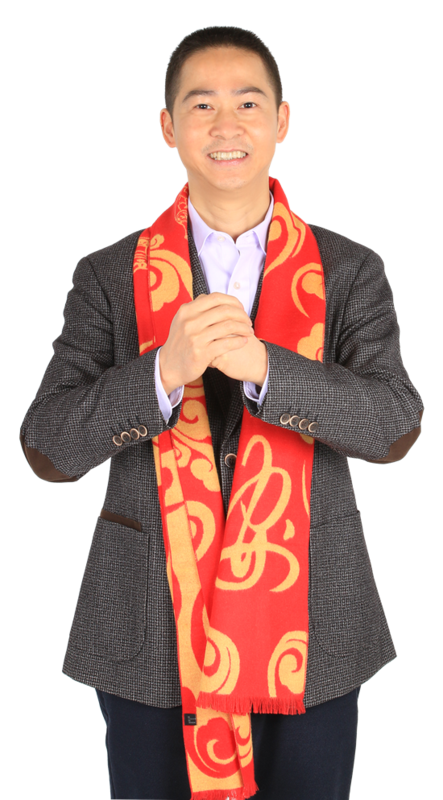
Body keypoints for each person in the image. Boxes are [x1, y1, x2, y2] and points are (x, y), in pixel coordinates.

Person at [18, 24, 424, 800]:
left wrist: (269, 370)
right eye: (201, 105)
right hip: (149, 627)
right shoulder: (107, 274)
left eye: (248, 102)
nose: (226, 125)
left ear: (282, 121)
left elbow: (394, 424)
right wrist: (160, 374)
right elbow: (48, 447)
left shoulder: (350, 268)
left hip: (311, 625)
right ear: (168, 127)